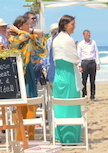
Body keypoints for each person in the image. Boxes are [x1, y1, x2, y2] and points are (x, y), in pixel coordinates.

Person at [8, 15, 47, 140]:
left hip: (25, 71)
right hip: (21, 71)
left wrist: (33, 35)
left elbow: (42, 48)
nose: (29, 27)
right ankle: (24, 137)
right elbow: (25, 36)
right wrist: (22, 32)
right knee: (24, 106)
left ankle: (27, 137)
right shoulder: (15, 38)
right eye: (26, 25)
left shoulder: (24, 37)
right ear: (20, 26)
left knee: (29, 105)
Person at [52, 15, 82, 144]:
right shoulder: (68, 40)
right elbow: (75, 59)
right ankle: (70, 138)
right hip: (68, 74)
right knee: (71, 106)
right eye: (72, 24)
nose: (74, 27)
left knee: (60, 106)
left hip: (59, 74)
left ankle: (61, 136)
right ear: (65, 25)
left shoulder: (56, 39)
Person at [77, 30, 100, 100]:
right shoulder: (80, 44)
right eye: (87, 34)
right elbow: (79, 54)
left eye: (89, 34)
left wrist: (98, 63)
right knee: (84, 80)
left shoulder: (93, 42)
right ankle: (84, 94)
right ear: (83, 35)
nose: (88, 35)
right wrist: (79, 65)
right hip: (84, 62)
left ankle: (92, 95)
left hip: (92, 62)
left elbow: (96, 53)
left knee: (92, 80)